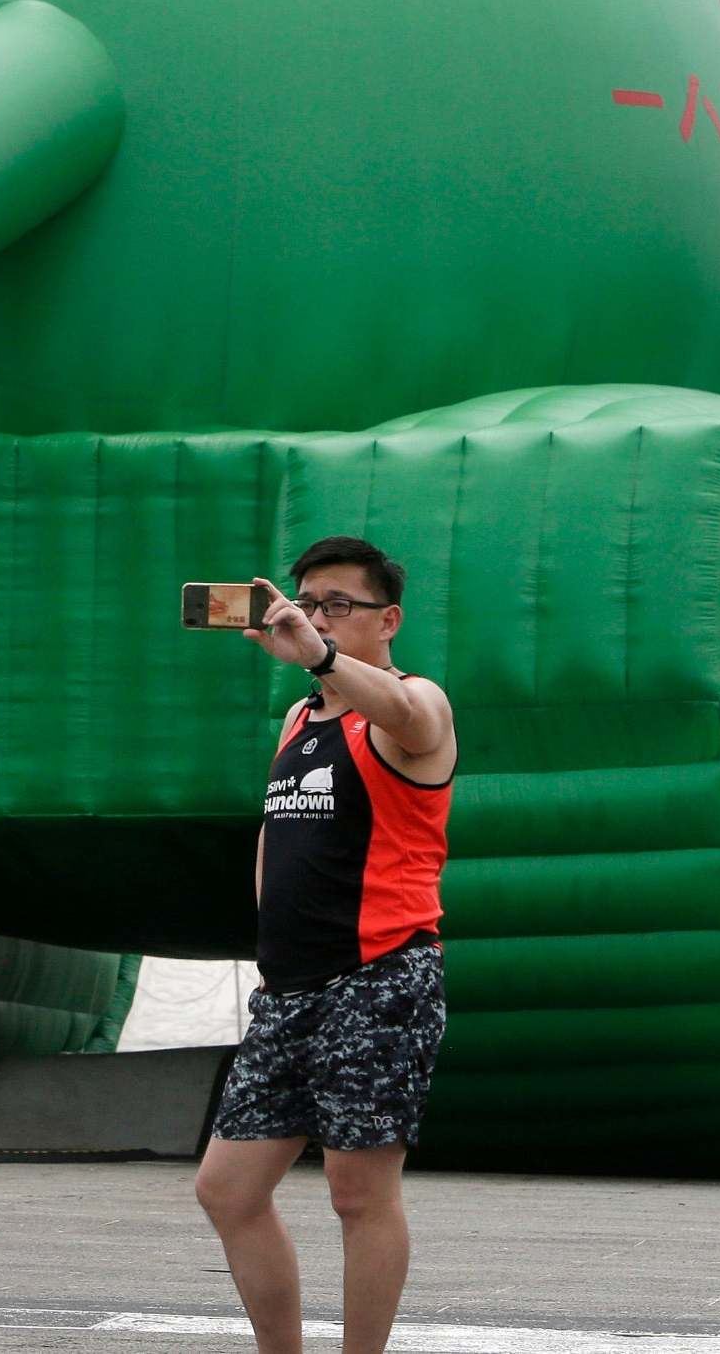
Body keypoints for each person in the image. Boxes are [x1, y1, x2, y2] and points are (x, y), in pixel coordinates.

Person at [194, 535, 456, 1354]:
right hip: (290, 989)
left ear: (388, 619)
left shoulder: (417, 703)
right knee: (227, 1190)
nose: (313, 617)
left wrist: (321, 655)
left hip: (379, 977)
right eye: (305, 603)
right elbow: (276, 837)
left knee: (357, 1192)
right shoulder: (300, 716)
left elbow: (408, 717)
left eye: (335, 604)